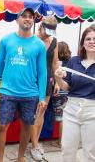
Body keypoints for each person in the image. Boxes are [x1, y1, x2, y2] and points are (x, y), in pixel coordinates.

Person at [0, 8, 47, 162]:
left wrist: (42, 97)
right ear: (17, 20)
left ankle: (20, 157)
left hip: (30, 94)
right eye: (23, 16)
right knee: (1, 127)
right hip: (7, 92)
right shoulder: (6, 40)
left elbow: (42, 73)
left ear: (33, 20)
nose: (27, 19)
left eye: (30, 17)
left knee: (27, 127)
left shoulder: (39, 45)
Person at [55, 26, 95, 162]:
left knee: (90, 153)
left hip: (92, 113)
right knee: (67, 150)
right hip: (71, 110)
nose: (91, 41)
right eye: (88, 39)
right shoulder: (74, 61)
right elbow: (66, 87)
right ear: (83, 43)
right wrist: (58, 78)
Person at [30, 16, 59, 161]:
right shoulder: (32, 40)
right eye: (46, 31)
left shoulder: (54, 41)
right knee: (33, 113)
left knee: (41, 112)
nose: (47, 34)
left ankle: (35, 143)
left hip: (48, 80)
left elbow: (55, 64)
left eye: (50, 32)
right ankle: (34, 146)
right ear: (40, 26)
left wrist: (58, 82)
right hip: (32, 80)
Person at [52, 41, 71, 147]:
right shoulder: (70, 62)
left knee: (61, 118)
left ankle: (60, 142)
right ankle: (61, 141)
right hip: (66, 92)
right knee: (63, 118)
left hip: (58, 91)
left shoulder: (57, 62)